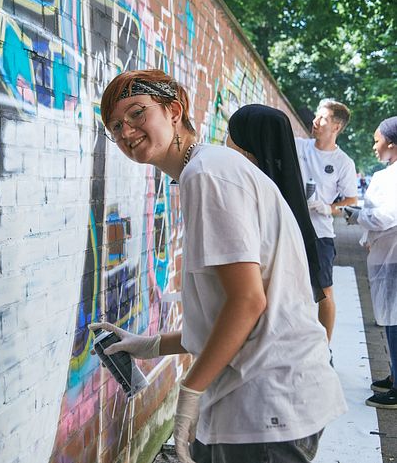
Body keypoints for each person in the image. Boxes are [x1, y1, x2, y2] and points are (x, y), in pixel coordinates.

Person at [90, 70, 345, 463]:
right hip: (268, 402)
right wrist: (151, 345)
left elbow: (247, 303)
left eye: (137, 113)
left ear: (174, 111)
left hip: (265, 405)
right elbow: (232, 307)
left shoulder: (207, 174)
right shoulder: (210, 167)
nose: (126, 131)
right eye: (115, 126)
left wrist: (189, 392)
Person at [226, 104, 326, 304]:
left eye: (231, 133)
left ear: (248, 143)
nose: (226, 141)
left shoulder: (253, 197)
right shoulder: (282, 195)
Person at [344, 116, 397, 408]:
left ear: (391, 143)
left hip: (392, 257)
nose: (374, 146)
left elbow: (386, 216)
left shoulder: (392, 177)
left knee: (395, 321)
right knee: (390, 320)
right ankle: (394, 375)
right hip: (388, 253)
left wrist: (357, 216)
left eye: (377, 140)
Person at [295, 99, 358, 343]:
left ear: (336, 127)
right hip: (291, 229)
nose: (315, 121)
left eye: (322, 118)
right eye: (316, 116)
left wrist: (326, 207)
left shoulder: (343, 162)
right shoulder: (299, 147)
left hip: (320, 233)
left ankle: (325, 348)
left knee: (324, 292)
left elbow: (351, 202)